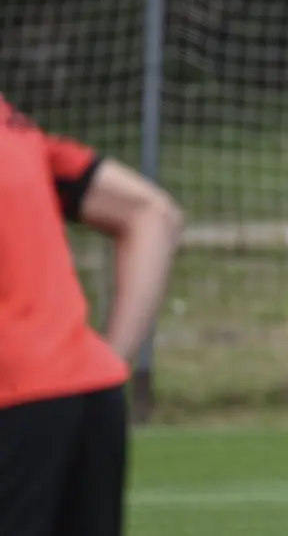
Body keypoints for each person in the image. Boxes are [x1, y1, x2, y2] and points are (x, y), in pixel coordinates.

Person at [0, 96, 184, 536]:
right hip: (89, 396)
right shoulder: (19, 131)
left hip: (14, 400)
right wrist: (111, 362)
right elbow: (152, 214)